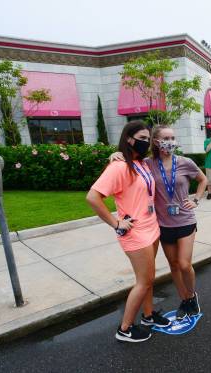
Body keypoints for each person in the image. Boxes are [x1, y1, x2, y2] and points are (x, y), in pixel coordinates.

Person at [110, 125, 209, 320]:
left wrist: (196, 199)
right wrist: (116, 155)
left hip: (185, 221)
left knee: (183, 264)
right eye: (166, 138)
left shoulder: (185, 162)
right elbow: (129, 164)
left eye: (173, 137)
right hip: (162, 224)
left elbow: (203, 179)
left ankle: (192, 296)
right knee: (173, 265)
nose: (170, 142)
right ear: (155, 141)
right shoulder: (147, 163)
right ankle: (184, 301)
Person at [86, 120, 171, 343]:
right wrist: (115, 223)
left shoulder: (139, 163)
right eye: (141, 139)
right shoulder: (119, 166)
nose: (145, 143)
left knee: (149, 280)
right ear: (128, 139)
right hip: (136, 233)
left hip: (151, 227)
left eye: (148, 139)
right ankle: (124, 329)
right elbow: (93, 197)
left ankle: (149, 316)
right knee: (144, 281)